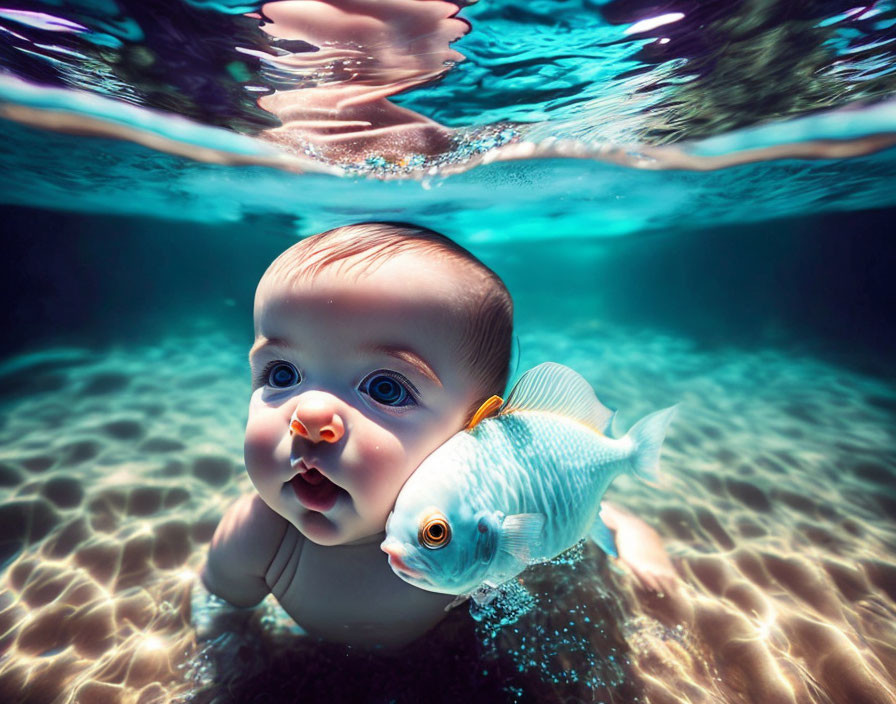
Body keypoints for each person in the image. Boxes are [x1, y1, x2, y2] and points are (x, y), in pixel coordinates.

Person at [199, 221, 676, 649]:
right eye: (281, 375)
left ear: (479, 430)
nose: (311, 414)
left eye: (385, 388)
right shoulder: (256, 535)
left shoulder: (482, 522)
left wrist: (628, 536)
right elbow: (217, 611)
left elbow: (565, 503)